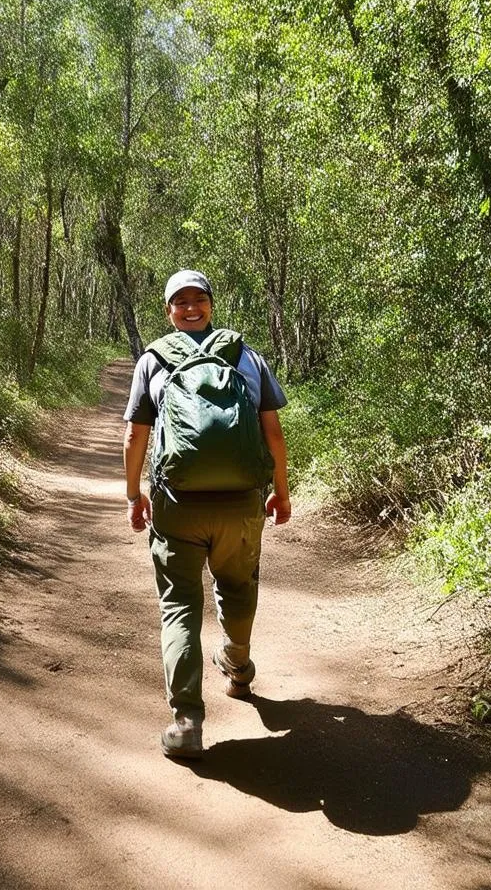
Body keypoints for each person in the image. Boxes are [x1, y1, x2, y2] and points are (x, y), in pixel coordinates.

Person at [122, 269, 292, 759]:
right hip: (240, 503)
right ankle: (238, 664)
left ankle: (187, 721)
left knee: (179, 605)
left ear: (199, 308)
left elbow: (136, 437)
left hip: (178, 505)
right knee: (238, 585)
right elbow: (272, 434)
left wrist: (135, 495)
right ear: (173, 309)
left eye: (196, 300)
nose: (191, 308)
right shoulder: (248, 357)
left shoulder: (152, 360)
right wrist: (280, 492)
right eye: (184, 301)